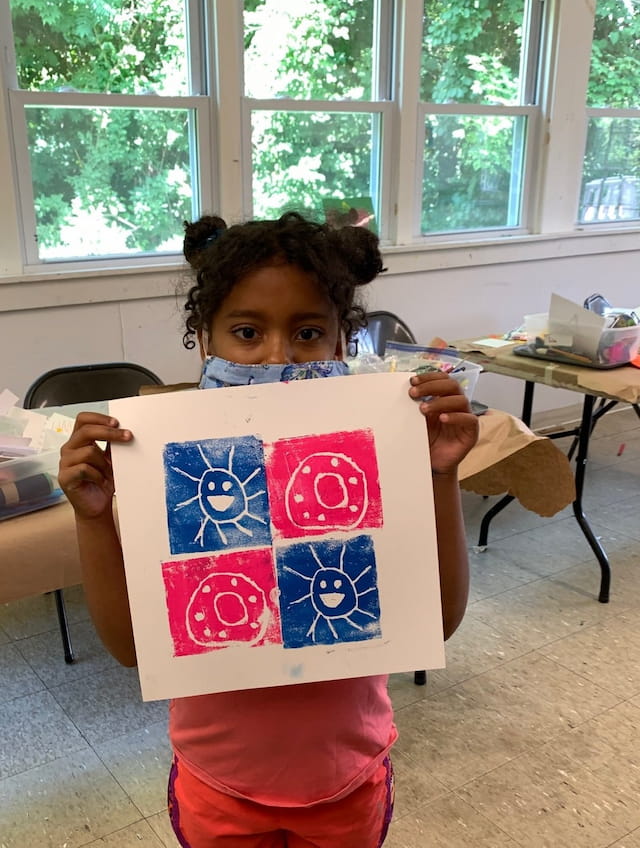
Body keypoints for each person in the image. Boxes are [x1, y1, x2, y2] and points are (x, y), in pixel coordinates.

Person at [58, 211, 479, 848]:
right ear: (205, 340)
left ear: (342, 344)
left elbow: (439, 619)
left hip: (348, 777)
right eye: (247, 332)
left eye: (309, 332)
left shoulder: (372, 459)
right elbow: (134, 650)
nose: (278, 356)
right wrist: (95, 520)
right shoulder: (176, 469)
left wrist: (440, 478)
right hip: (217, 783)